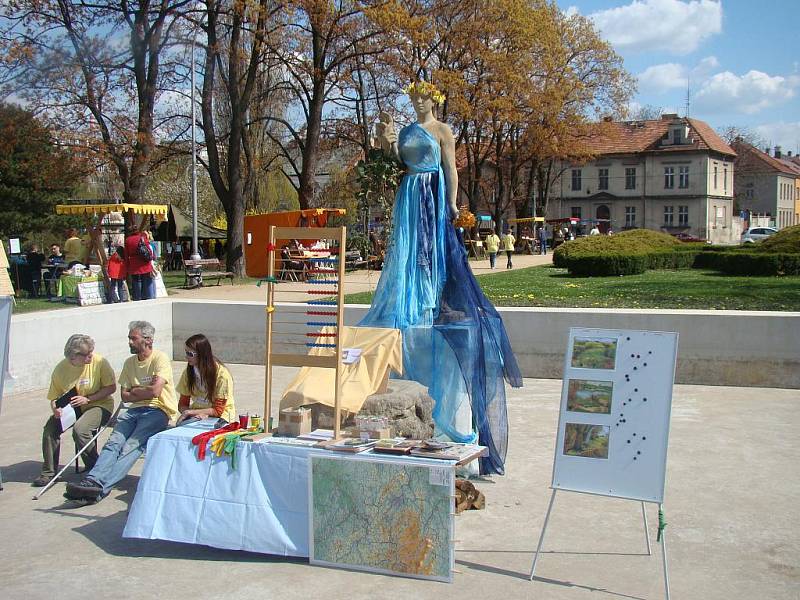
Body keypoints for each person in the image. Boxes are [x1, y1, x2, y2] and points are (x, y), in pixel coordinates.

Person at [365, 80, 521, 475]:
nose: (417, 104)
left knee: (431, 247)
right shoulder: (405, 132)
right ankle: (411, 297)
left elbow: (450, 167)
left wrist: (451, 203)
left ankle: (431, 294)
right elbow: (394, 162)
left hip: (432, 192)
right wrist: (384, 140)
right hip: (409, 192)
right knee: (407, 248)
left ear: (434, 101)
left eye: (423, 99)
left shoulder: (443, 132)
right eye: (413, 99)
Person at [65, 321, 177, 503]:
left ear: (148, 340)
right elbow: (124, 396)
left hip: (158, 410)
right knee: (113, 443)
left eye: (134, 338)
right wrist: (142, 390)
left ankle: (99, 489)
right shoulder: (129, 363)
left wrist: (136, 390)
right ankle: (92, 479)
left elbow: (155, 392)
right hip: (134, 411)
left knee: (131, 446)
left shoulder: (160, 359)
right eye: (129, 338)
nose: (130, 342)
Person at [33, 335, 117, 487]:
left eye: (91, 351)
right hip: (72, 408)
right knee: (50, 429)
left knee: (80, 429)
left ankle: (95, 468)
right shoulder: (60, 369)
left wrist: (88, 399)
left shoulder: (100, 362)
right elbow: (54, 397)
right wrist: (55, 409)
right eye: (87, 354)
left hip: (99, 404)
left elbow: (111, 388)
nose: (91, 356)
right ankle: (49, 472)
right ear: (74, 357)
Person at [176, 334, 236, 424]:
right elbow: (182, 404)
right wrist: (192, 414)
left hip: (221, 417)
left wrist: (191, 412)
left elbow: (218, 410)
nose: (186, 357)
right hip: (197, 415)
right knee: (180, 425)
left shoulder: (222, 376)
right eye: (186, 352)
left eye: (190, 354)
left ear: (202, 354)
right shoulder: (188, 372)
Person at [124, 228, 155, 301]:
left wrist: (127, 266)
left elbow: (126, 254)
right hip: (145, 264)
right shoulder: (143, 238)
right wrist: (152, 258)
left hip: (134, 264)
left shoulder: (128, 240)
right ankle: (148, 298)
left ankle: (137, 298)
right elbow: (149, 250)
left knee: (136, 282)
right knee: (147, 282)